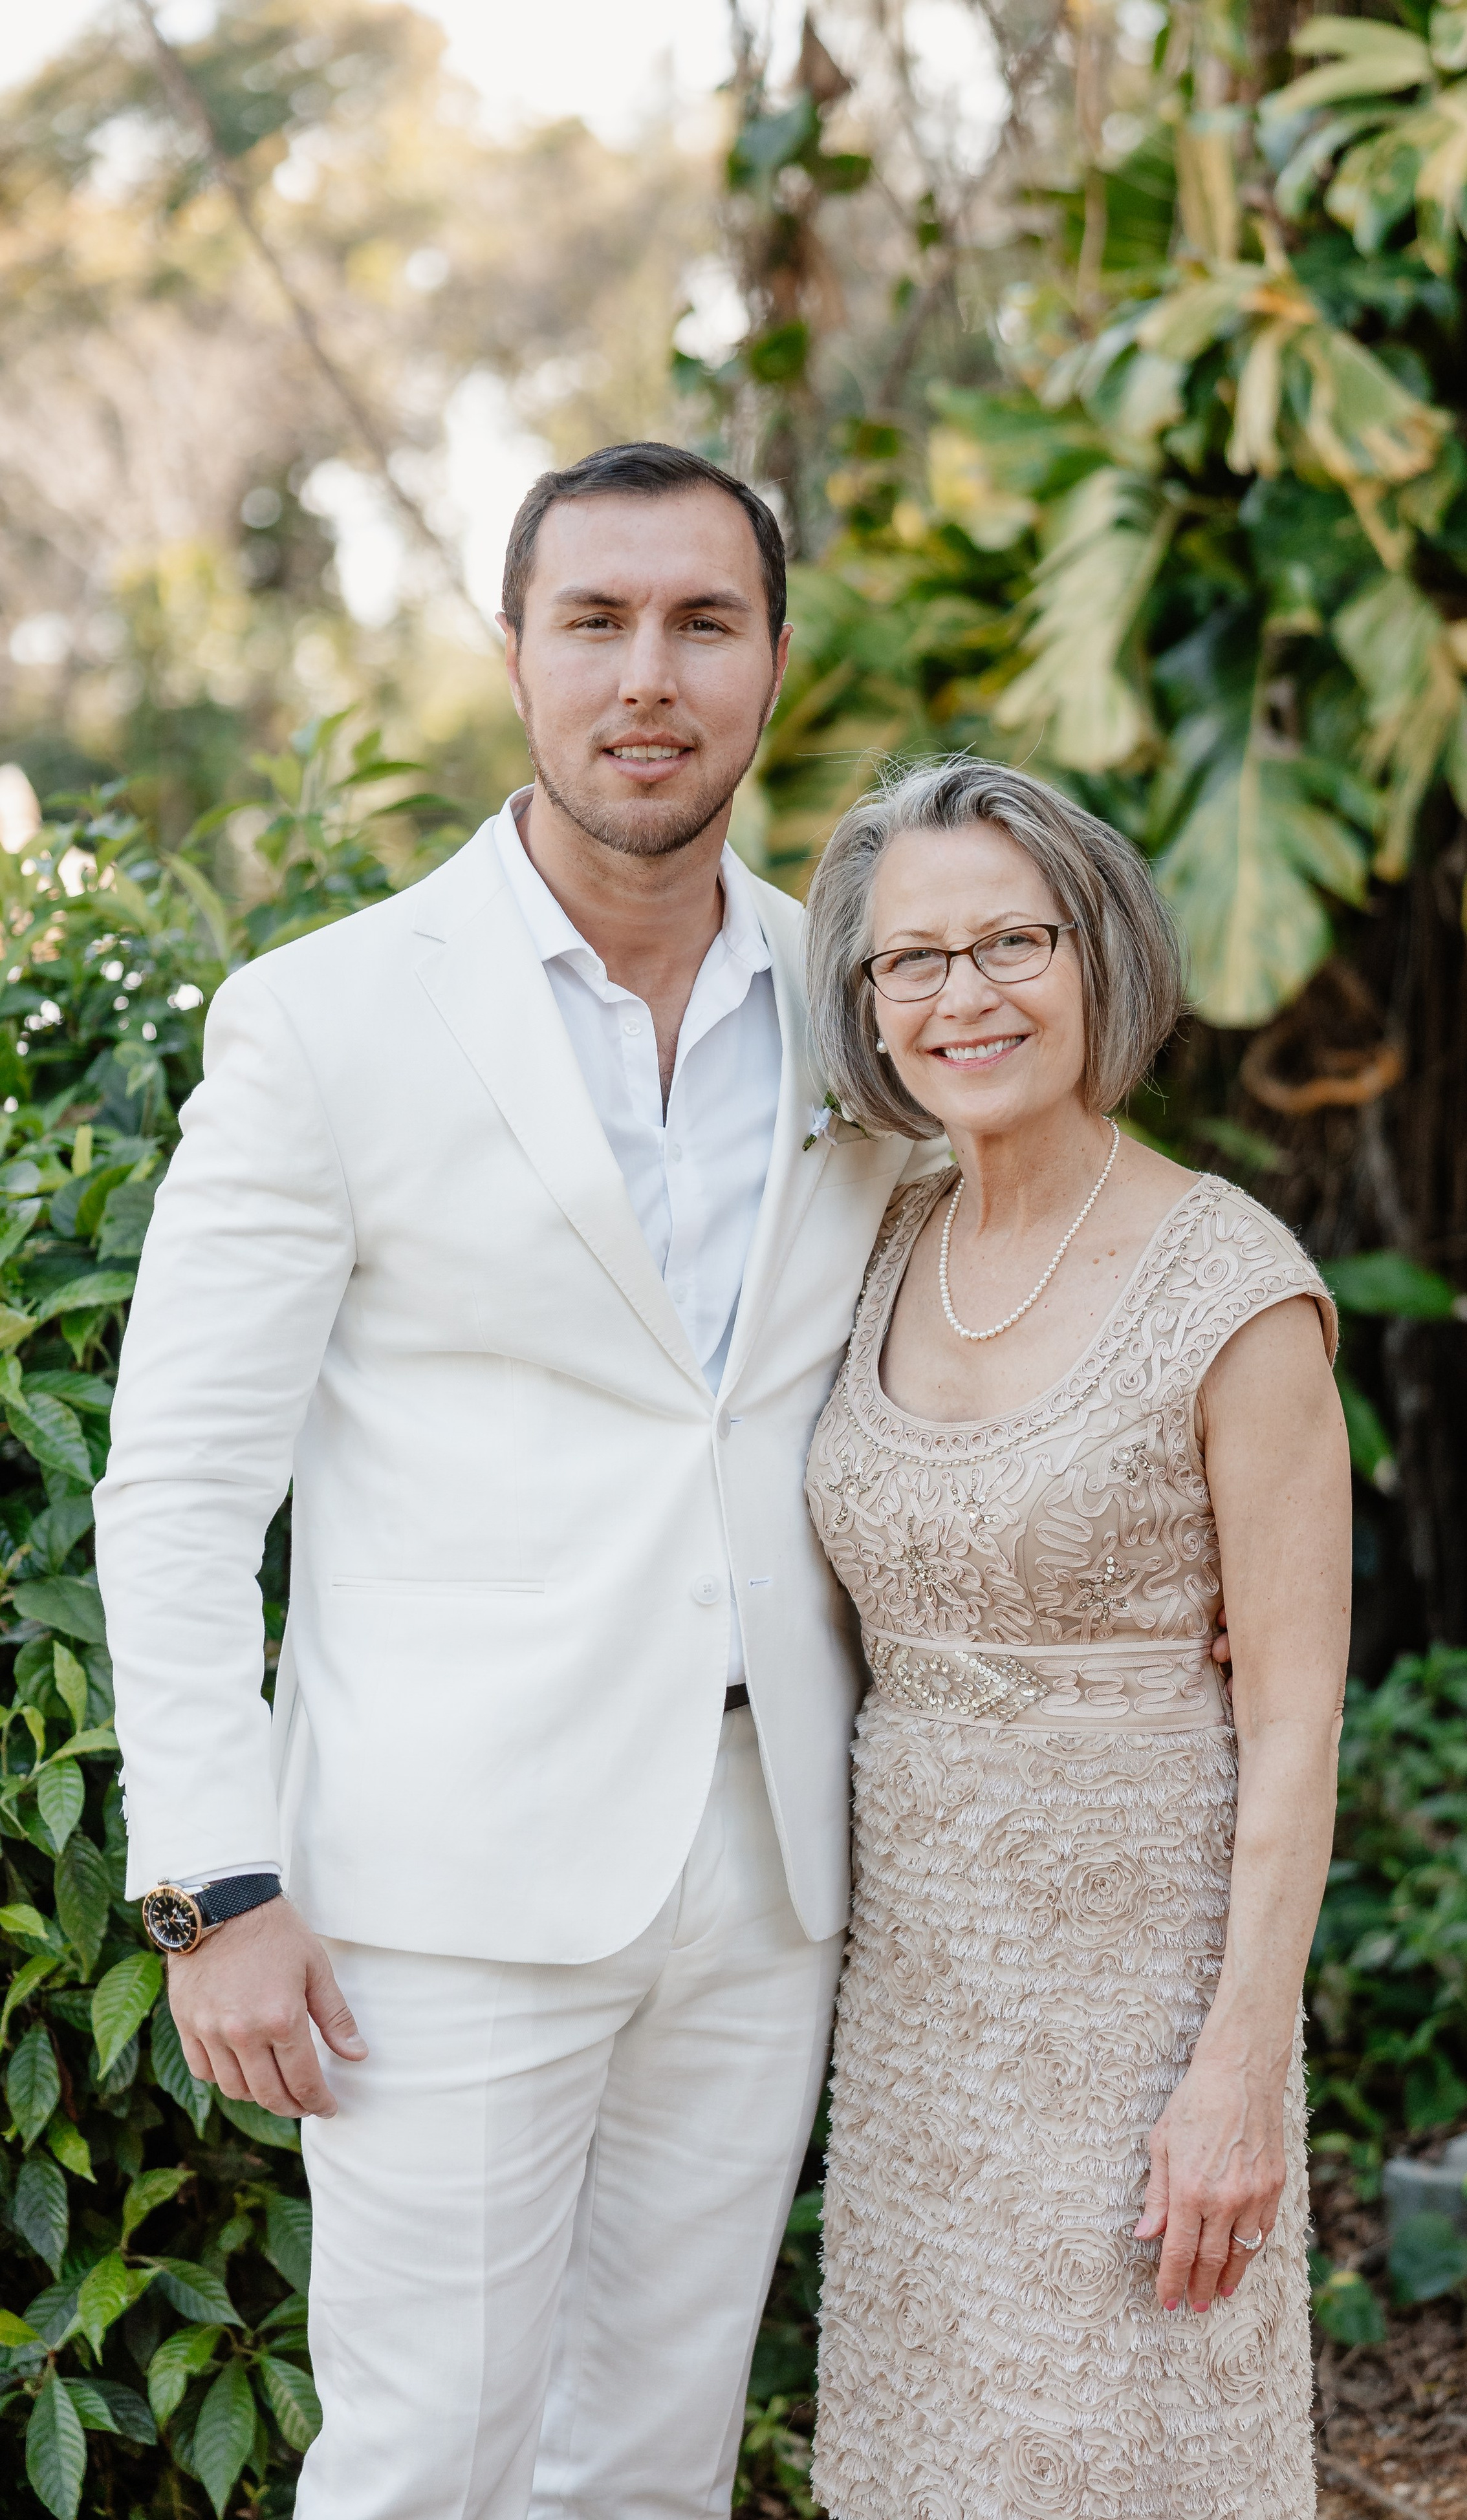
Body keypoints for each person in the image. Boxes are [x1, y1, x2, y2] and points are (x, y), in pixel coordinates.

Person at [93, 443, 943, 2520]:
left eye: (701, 621)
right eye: (597, 620)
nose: (647, 675)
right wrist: (214, 1880)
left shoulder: (860, 1010)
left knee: (647, 2470)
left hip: (767, 1870)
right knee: (420, 2469)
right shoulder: (326, 1020)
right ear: (514, 655)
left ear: (769, 663)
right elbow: (181, 1482)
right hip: (441, 1895)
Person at [799, 757, 1351, 2519]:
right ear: (869, 1006)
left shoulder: (1231, 1286)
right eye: (915, 962)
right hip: (919, 2013)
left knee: (1127, 2456)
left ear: (1099, 953)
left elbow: (1297, 1721)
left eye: (1011, 942)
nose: (965, 997)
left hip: (1142, 2006)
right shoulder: (877, 1238)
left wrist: (1238, 2072)